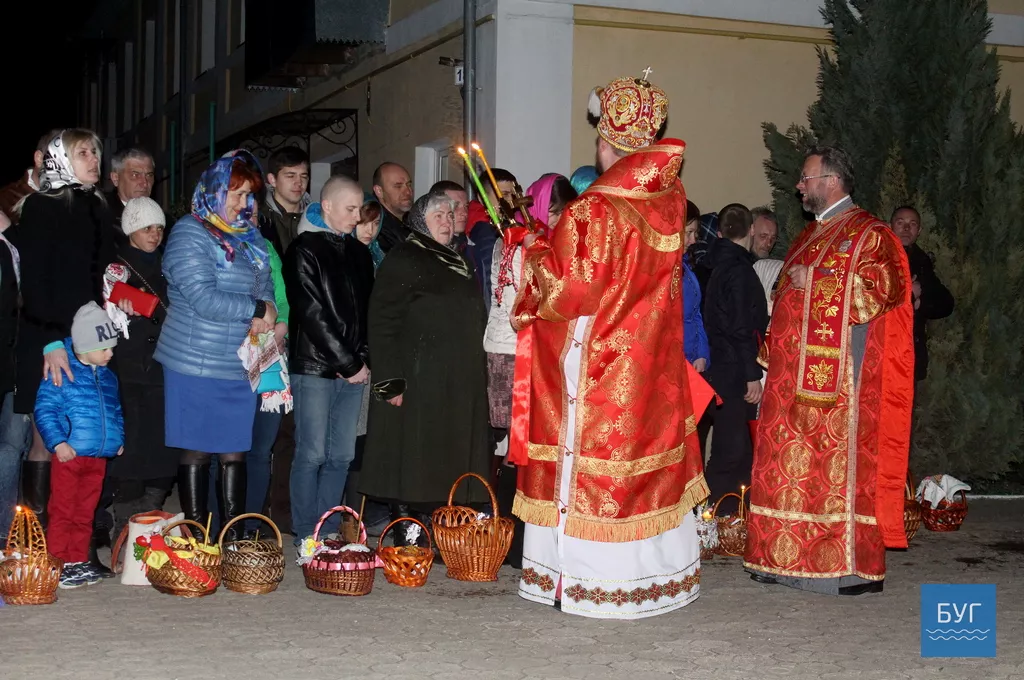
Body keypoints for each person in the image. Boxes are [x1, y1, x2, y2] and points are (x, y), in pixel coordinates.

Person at [509, 73, 708, 619]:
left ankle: (586, 582)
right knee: (642, 460)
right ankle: (653, 581)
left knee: (588, 464)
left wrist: (529, 256)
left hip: (595, 360)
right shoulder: (668, 201)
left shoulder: (594, 209)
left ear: (607, 142)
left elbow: (571, 290)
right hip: (648, 363)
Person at [745, 146, 913, 596]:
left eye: (807, 177)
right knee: (785, 470)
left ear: (832, 181)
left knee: (827, 473)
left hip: (838, 385)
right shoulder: (807, 236)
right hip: (787, 379)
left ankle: (842, 568)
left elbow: (882, 289)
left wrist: (816, 281)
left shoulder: (869, 234)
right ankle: (780, 559)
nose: (800, 185)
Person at [154, 150, 276, 543]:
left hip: (237, 362)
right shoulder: (189, 232)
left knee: (234, 451)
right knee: (197, 451)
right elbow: (202, 297)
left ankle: (233, 535)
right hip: (194, 361)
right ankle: (197, 536)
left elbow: (265, 281)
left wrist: (269, 304)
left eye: (248, 196)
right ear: (214, 191)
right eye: (236, 195)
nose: (244, 203)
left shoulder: (246, 236)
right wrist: (256, 308)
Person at [361, 191, 491, 545]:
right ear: (420, 221)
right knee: (410, 454)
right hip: (414, 380)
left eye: (451, 215)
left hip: (452, 383)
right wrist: (390, 383)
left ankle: (440, 526)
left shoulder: (456, 261)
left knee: (440, 456)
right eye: (439, 216)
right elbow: (382, 321)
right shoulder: (405, 257)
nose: (448, 221)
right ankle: (408, 528)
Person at [7, 129, 116, 541]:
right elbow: (34, 282)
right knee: (48, 438)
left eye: (95, 152)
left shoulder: (98, 206)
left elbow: (97, 278)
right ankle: (38, 538)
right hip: (49, 335)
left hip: (90, 339)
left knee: (86, 437)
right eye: (83, 152)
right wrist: (53, 341)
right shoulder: (41, 206)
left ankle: (77, 544)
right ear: (60, 160)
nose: (94, 159)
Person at [484, 173, 577, 569]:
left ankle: (527, 535)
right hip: (512, 351)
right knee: (512, 444)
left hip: (540, 352)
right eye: (552, 211)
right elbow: (524, 303)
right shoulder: (517, 243)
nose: (557, 219)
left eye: (564, 212)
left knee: (534, 444)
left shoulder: (545, 243)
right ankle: (509, 536)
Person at [284, 176, 374, 543]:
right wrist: (348, 363)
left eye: (358, 209)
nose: (356, 217)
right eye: (349, 209)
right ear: (327, 208)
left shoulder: (359, 254)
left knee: (341, 455)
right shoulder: (303, 249)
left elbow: (368, 312)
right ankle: (307, 531)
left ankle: (329, 527)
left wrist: (362, 358)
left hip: (353, 367)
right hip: (316, 367)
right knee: (312, 452)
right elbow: (311, 312)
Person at [34, 302, 124, 589]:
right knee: (63, 510)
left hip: (97, 457)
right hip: (69, 456)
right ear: (84, 347)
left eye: (111, 347)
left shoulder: (108, 377)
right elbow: (45, 409)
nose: (110, 354)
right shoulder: (62, 371)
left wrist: (117, 439)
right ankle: (57, 562)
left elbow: (115, 411)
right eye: (104, 349)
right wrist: (58, 442)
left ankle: (77, 561)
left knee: (86, 511)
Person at [103, 198, 175, 539]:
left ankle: (151, 523)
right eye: (148, 227)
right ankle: (125, 527)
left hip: (164, 365)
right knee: (131, 449)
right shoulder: (117, 265)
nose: (155, 234)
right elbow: (113, 299)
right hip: (130, 369)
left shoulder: (168, 263)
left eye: (159, 228)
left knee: (163, 448)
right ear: (132, 227)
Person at [702, 204, 769, 513]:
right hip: (732, 370)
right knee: (731, 449)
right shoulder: (738, 270)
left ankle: (733, 515)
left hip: (720, 365)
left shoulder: (717, 263)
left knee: (739, 448)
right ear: (751, 230)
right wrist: (751, 374)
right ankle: (711, 515)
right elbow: (742, 327)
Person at [889, 206, 954, 381]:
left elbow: (946, 303)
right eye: (900, 222)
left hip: (910, 354)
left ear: (919, 231)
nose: (906, 228)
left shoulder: (921, 261)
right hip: (881, 353)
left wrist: (920, 304)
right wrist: (908, 296)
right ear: (890, 226)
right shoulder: (876, 257)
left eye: (912, 224)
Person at [261, 146, 312, 254]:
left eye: (303, 176)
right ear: (272, 179)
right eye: (290, 176)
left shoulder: (318, 218)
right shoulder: (258, 217)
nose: (299, 182)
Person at [371, 162, 413, 252]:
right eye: (398, 186)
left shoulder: (414, 220)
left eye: (409, 185)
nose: (408, 192)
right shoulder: (374, 229)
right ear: (379, 191)